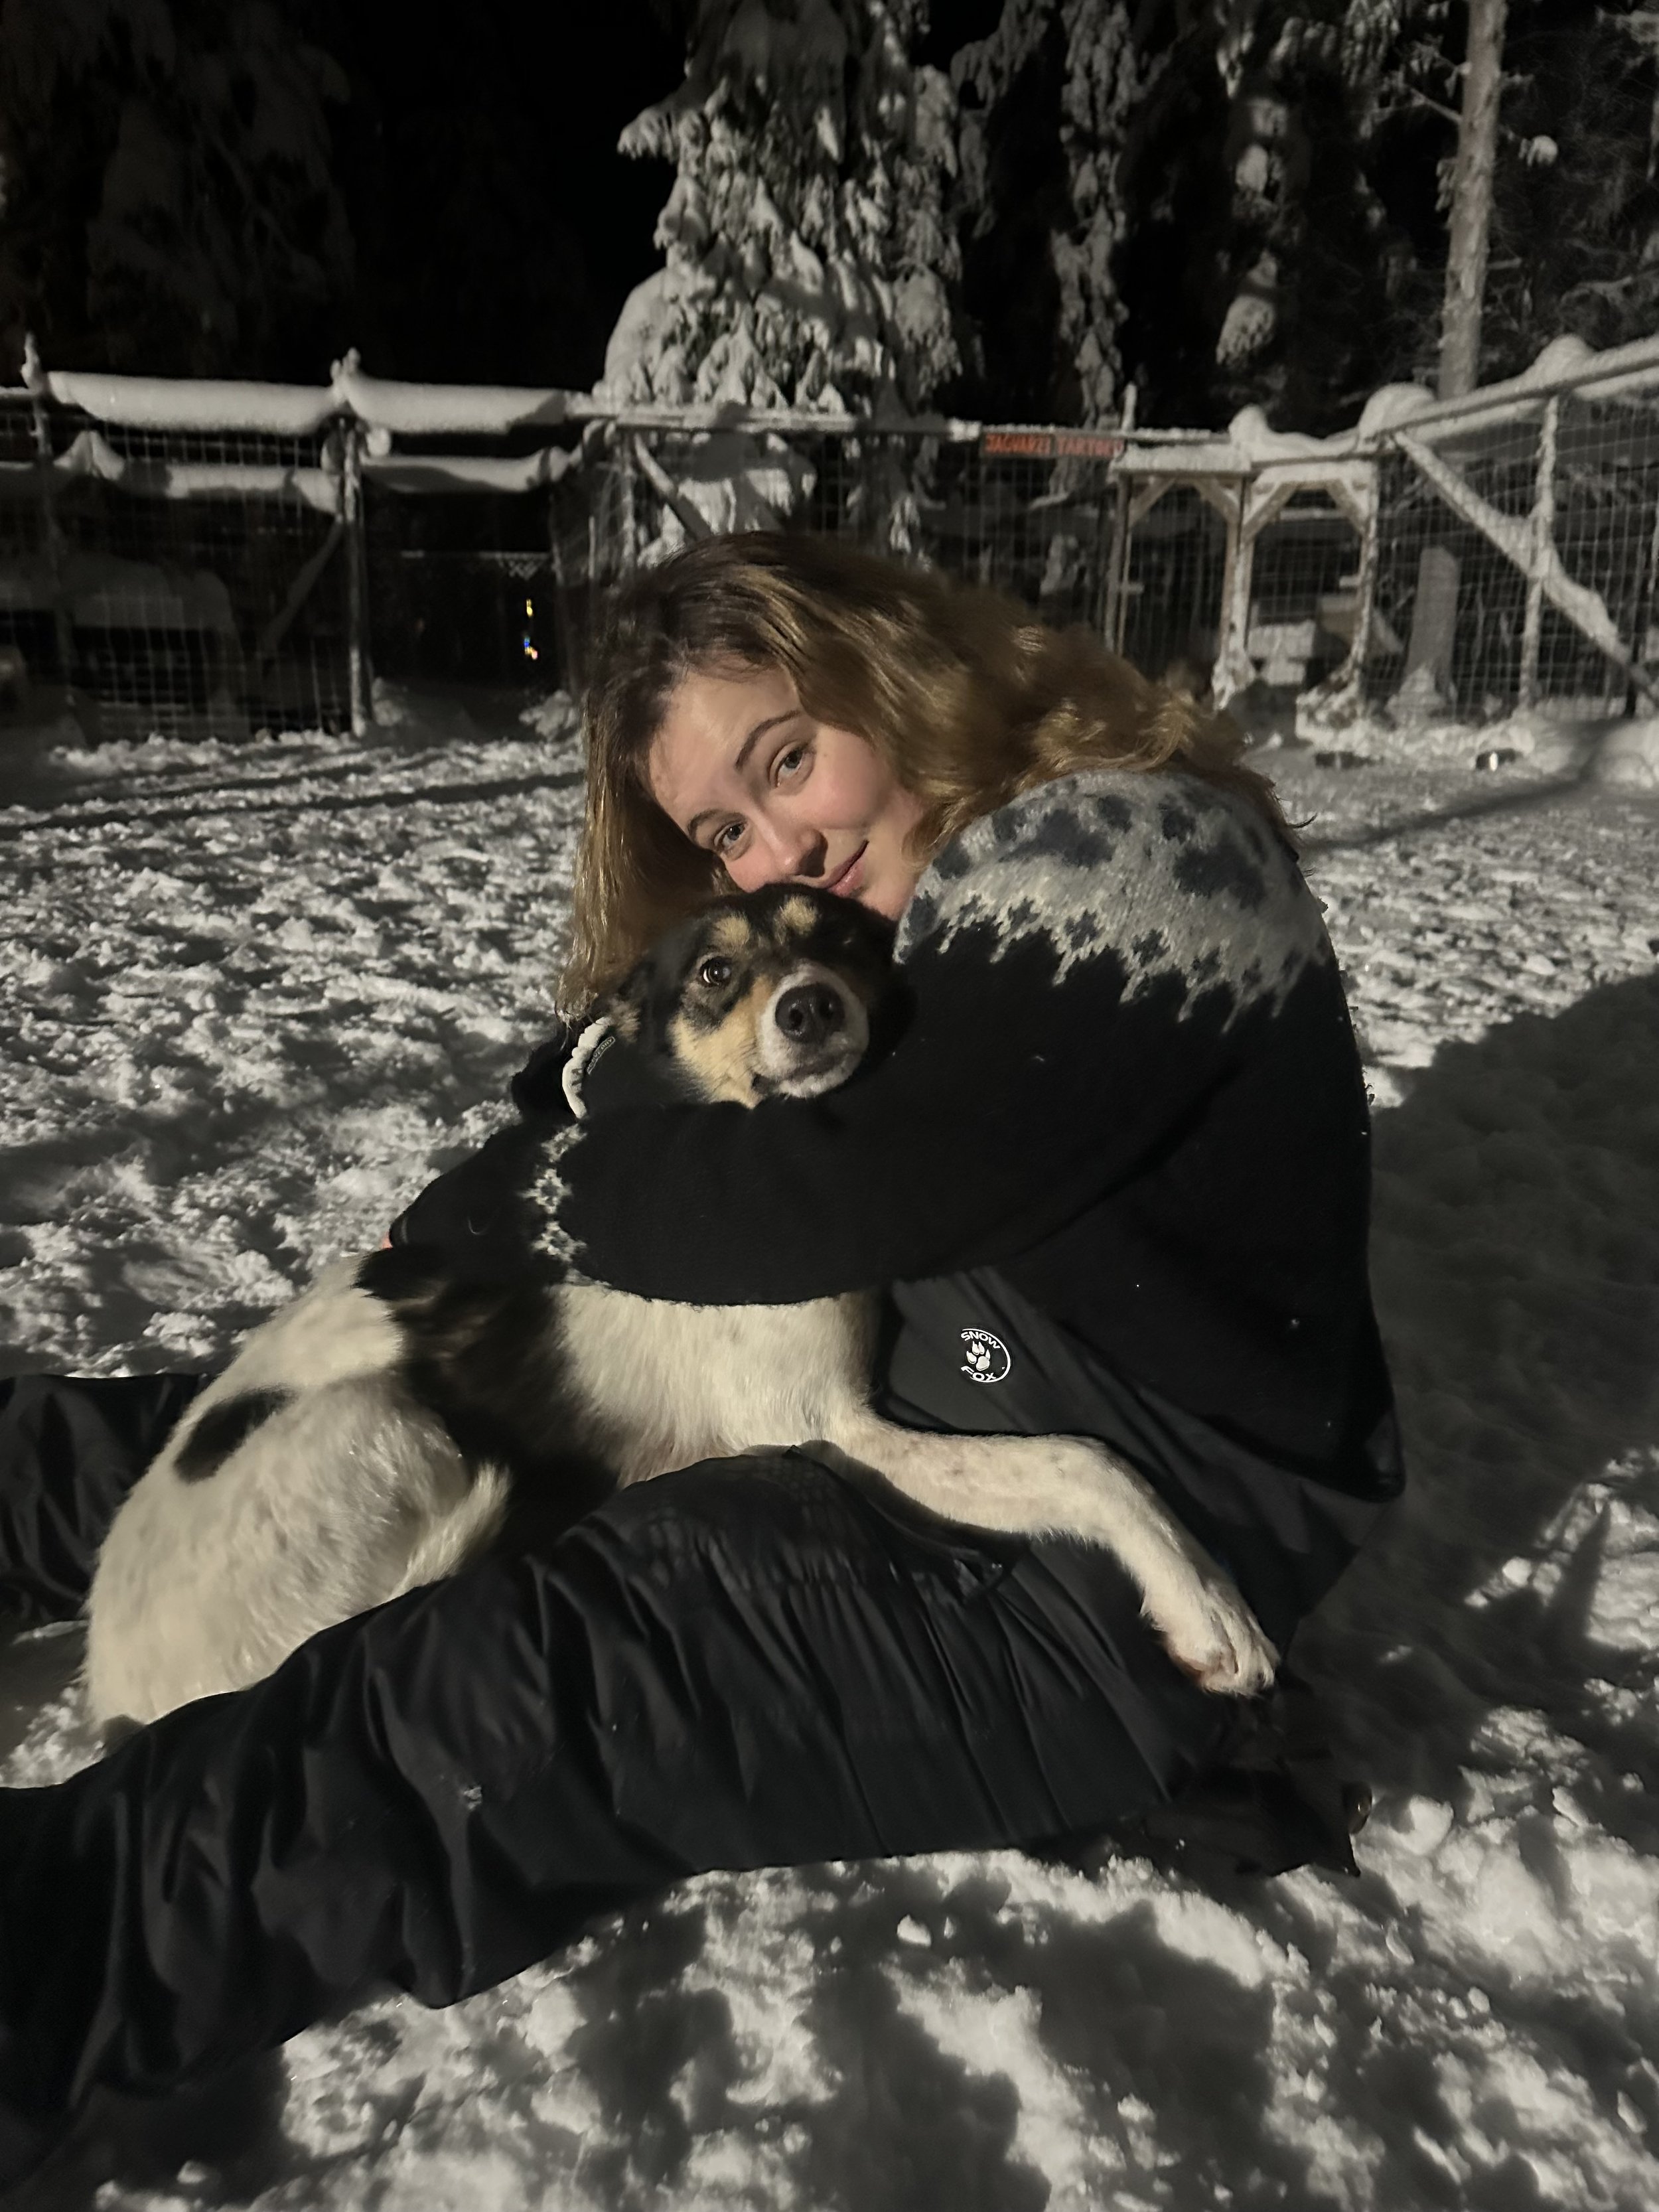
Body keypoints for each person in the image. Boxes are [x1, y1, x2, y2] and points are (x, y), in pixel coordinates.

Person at [0, 534, 1401, 2179]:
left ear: (898, 669)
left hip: (1076, 1575)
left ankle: (43, 1963)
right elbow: (617, 1071)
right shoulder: (906, 903)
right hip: (899, 1383)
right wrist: (477, 1212)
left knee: (499, 1681)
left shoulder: (1130, 851)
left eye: (788, 756)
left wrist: (519, 1188)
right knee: (272, 1403)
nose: (779, 836)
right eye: (725, 826)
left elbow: (831, 1186)